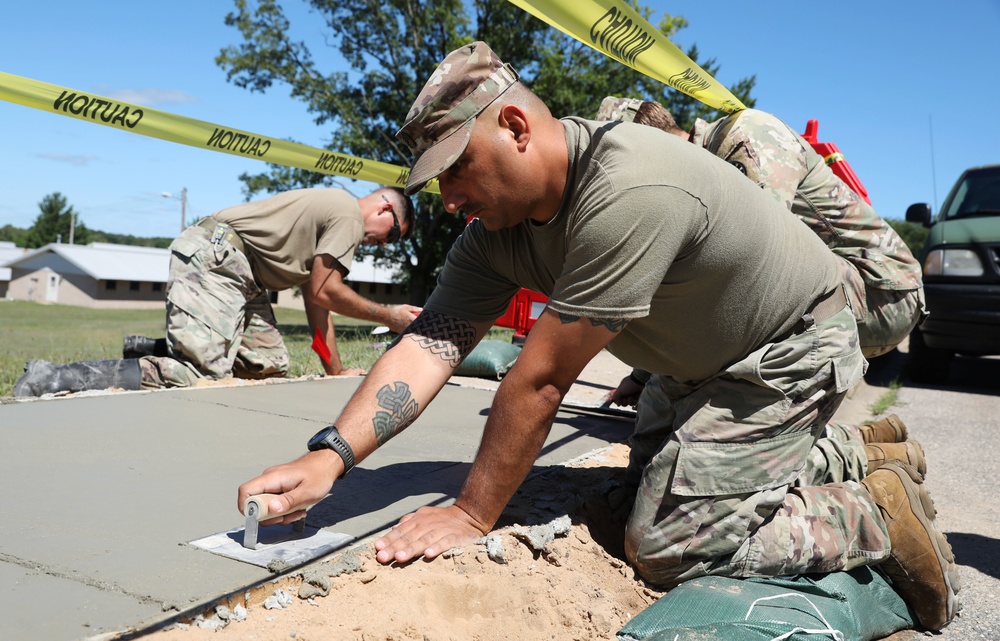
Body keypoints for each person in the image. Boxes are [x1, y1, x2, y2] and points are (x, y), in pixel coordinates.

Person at [236, 42, 958, 631]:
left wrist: (470, 510)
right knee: (639, 488)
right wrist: (332, 457)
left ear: (516, 128)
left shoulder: (627, 186)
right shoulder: (493, 236)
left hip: (787, 346)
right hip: (695, 362)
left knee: (669, 540)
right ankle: (845, 450)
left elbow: (541, 379)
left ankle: (878, 513)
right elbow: (429, 345)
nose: (449, 198)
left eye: (457, 168)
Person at [596, 98, 930, 485]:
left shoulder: (745, 136)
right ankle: (863, 446)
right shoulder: (698, 170)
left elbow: (752, 261)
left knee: (693, 447)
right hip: (833, 288)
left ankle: (850, 463)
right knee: (668, 436)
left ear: (646, 141)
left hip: (879, 290)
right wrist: (642, 377)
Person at [13, 187, 420, 397]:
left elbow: (318, 301)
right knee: (199, 376)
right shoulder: (348, 215)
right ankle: (54, 376)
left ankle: (163, 344)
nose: (381, 244)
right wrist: (390, 316)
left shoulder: (335, 213)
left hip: (243, 275)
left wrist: (335, 369)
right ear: (385, 209)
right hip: (217, 257)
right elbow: (327, 291)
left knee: (269, 364)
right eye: (391, 237)